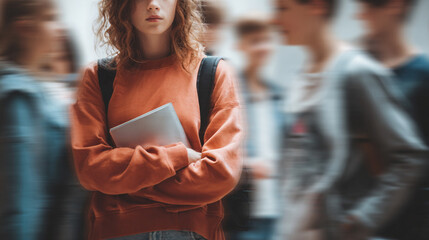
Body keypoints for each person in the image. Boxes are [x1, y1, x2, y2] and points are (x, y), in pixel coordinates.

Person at [70, 0, 243, 239]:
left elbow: (221, 173)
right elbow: (90, 168)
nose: (152, 5)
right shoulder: (98, 78)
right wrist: (178, 156)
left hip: (189, 232)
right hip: (118, 233)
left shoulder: (214, 73)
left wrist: (126, 183)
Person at [273, 0, 427, 239]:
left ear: (317, 5)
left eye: (283, 8)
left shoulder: (357, 71)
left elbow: (409, 156)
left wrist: (360, 220)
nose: (275, 20)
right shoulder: (302, 77)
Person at [0, 0, 78, 239]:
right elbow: (20, 202)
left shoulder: (38, 90)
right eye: (50, 18)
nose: (60, 28)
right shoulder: (18, 96)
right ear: (25, 27)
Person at [355, 0, 429, 239]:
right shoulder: (360, 72)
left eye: (366, 8)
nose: (360, 16)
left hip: (411, 222)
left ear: (395, 6)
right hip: (363, 218)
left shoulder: (423, 74)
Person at [227, 14, 282, 240]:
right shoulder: (230, 92)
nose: (263, 47)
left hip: (278, 210)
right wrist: (247, 165)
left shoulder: (280, 95)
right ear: (240, 46)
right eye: (255, 41)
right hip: (243, 211)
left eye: (267, 40)